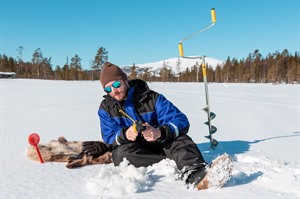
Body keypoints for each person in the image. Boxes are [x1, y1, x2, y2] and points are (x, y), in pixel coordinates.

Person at [82, 62, 209, 189]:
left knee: (181, 141)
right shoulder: (106, 108)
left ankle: (196, 174)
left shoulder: (152, 98)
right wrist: (125, 134)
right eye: (108, 89)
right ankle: (172, 162)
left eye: (116, 84)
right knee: (120, 154)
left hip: (162, 143)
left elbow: (180, 121)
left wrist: (160, 132)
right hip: (136, 149)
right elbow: (109, 136)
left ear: (126, 80)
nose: (114, 91)